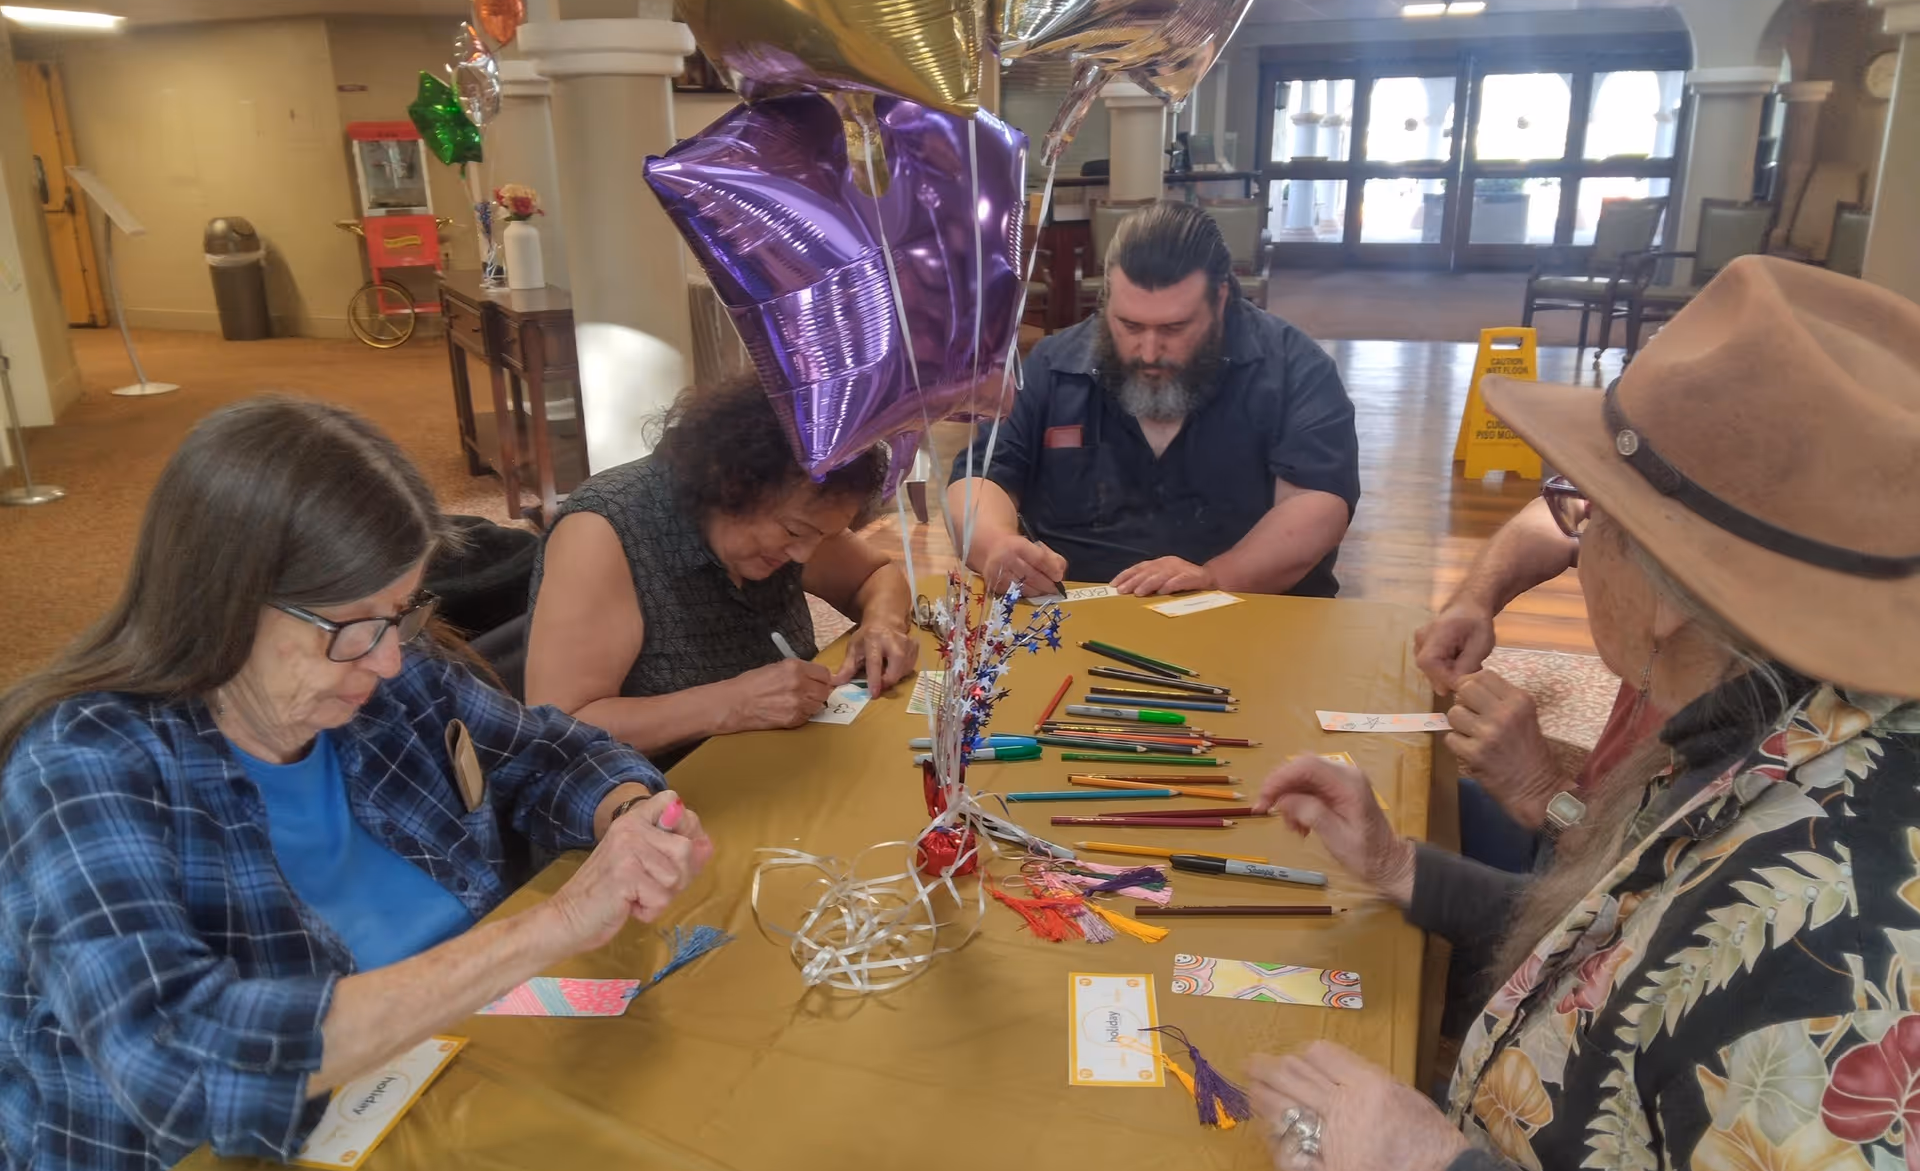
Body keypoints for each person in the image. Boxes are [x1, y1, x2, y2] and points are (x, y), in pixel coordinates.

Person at [1247, 255, 1920, 1171]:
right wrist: (1402, 868)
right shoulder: (1777, 721)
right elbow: (1627, 948)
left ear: (1668, 596)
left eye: (1586, 512)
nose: (1572, 537)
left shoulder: (1834, 952)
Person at [0, 398, 712, 1171]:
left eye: (400, 614)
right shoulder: (83, 766)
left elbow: (546, 752)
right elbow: (182, 1062)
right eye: (351, 626)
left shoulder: (381, 680)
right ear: (225, 603)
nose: (387, 659)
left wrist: (631, 816)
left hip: (434, 1119)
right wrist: (552, 926)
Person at [945, 199, 1361, 598]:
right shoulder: (1054, 365)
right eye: (1129, 325)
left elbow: (1316, 504)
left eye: (1174, 328)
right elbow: (980, 478)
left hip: (1246, 608)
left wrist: (1215, 577)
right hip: (1077, 612)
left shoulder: (1293, 368)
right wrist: (995, 545)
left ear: (1220, 299)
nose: (1147, 352)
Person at [525, 379, 919, 769]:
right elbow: (558, 731)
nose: (805, 554)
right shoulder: (605, 529)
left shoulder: (799, 509)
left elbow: (875, 575)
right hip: (652, 793)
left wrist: (881, 625)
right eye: (794, 531)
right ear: (731, 485)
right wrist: (731, 704)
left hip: (783, 766)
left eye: (823, 536)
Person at [1417, 491, 1669, 874]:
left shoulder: (1738, 752)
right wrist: (1474, 599)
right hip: (1582, 821)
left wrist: (1540, 790)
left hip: (1592, 869)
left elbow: (1639, 878)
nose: (1581, 554)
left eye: (1593, 534)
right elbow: (1558, 513)